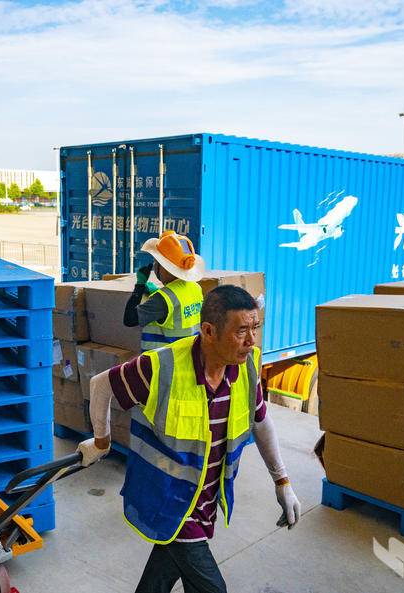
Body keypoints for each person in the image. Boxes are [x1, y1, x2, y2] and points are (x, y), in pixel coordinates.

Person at [79, 285, 301, 593]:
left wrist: (282, 481)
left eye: (255, 328)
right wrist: (101, 442)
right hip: (168, 501)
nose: (251, 341)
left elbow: (260, 420)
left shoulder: (246, 367)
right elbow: (101, 385)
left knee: (160, 575)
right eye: (241, 331)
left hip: (205, 500)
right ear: (209, 331)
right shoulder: (162, 367)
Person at [124, 230, 205, 352]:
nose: (155, 267)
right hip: (187, 355)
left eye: (157, 263)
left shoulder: (162, 299)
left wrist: (139, 286)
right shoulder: (195, 288)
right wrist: (157, 292)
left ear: (166, 268)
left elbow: (129, 319)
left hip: (163, 360)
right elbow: (178, 309)